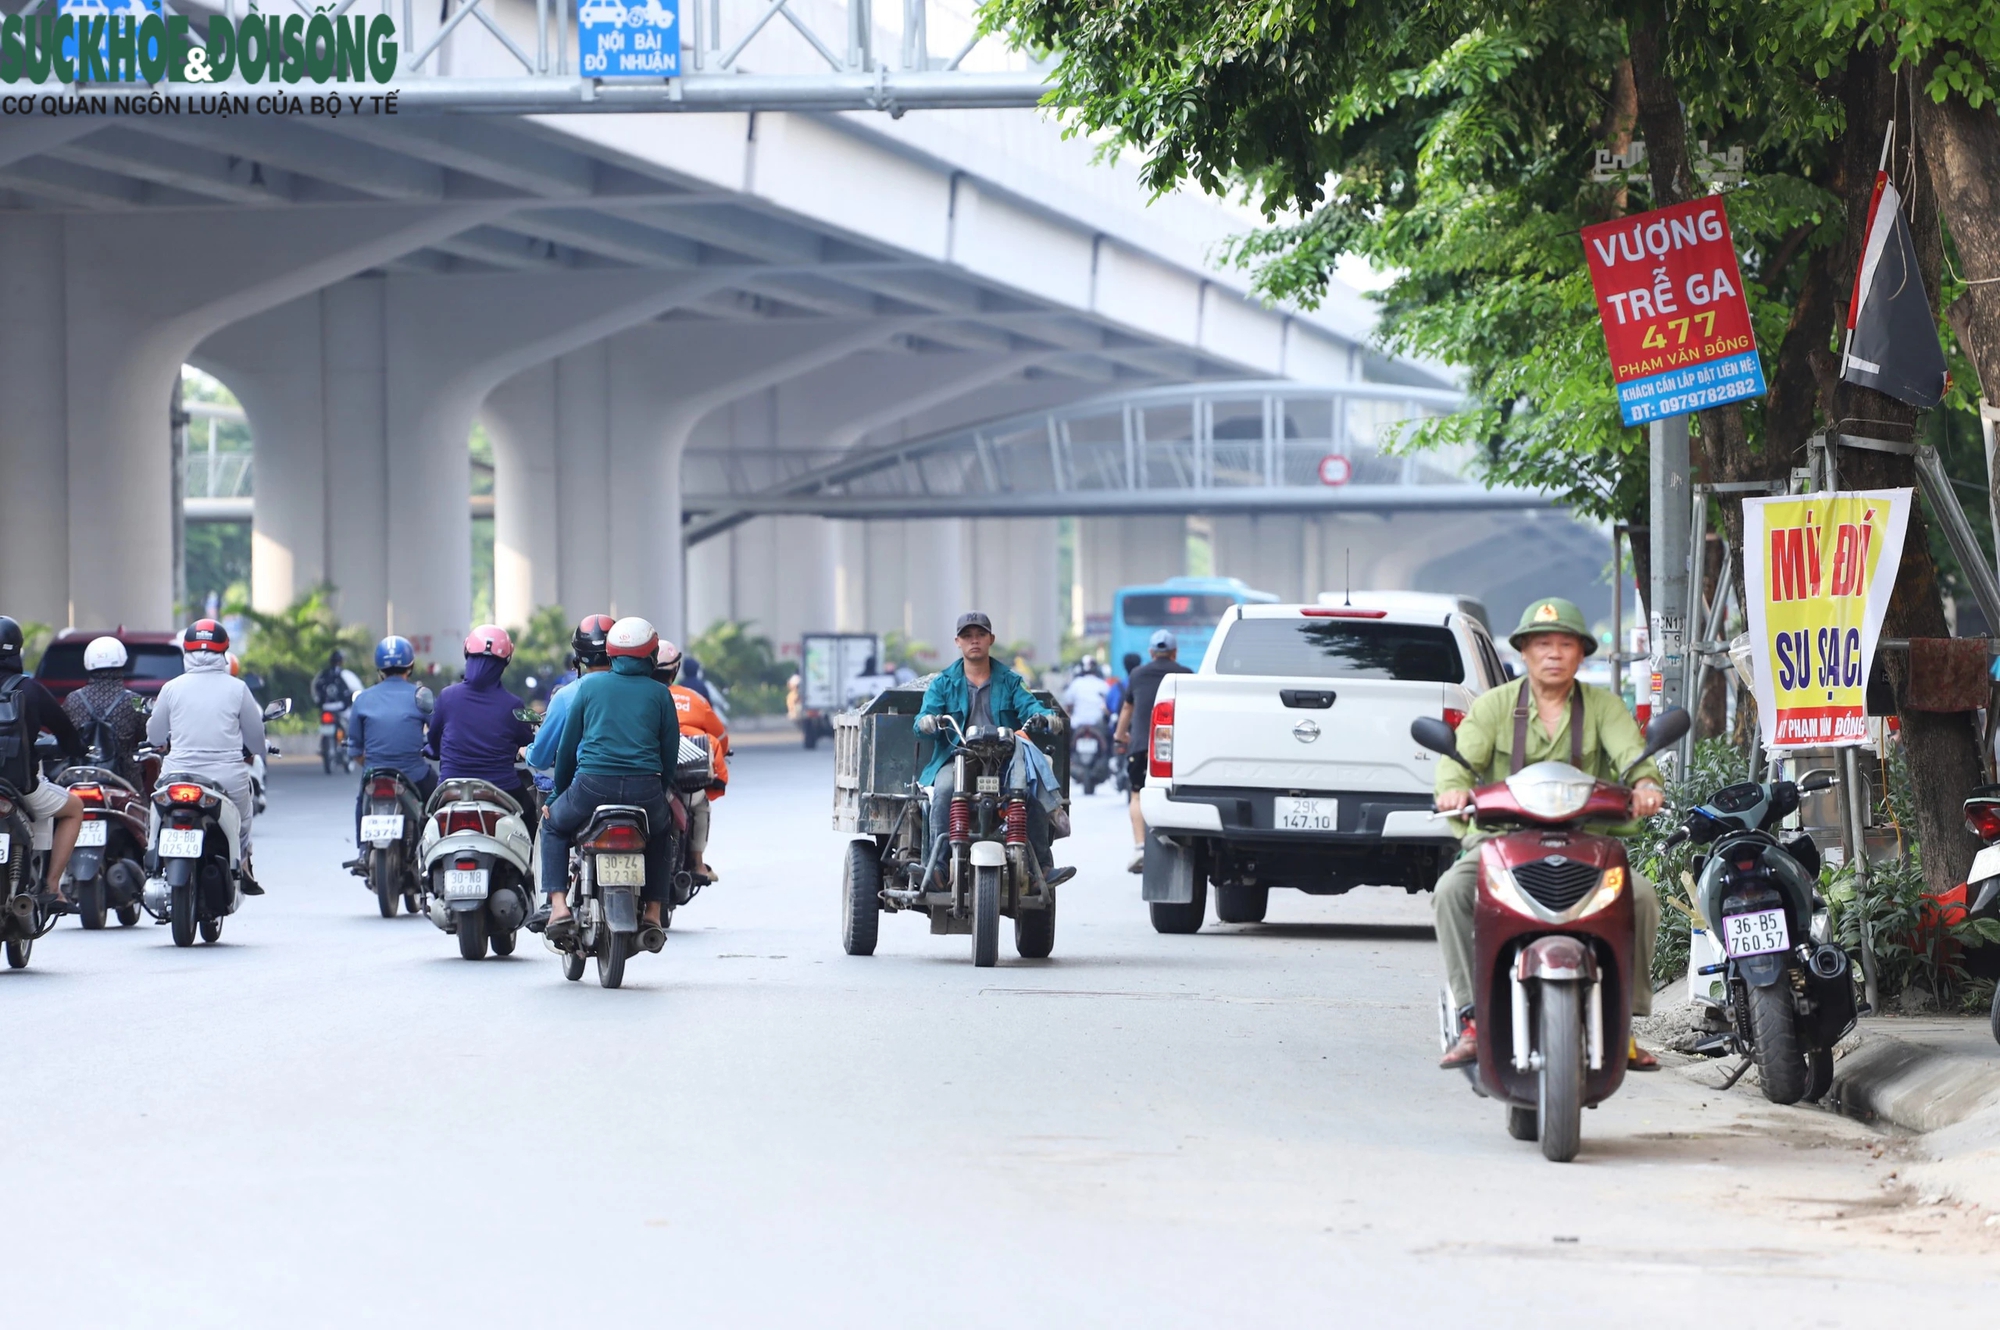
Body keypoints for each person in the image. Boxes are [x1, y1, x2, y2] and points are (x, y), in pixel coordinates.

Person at [1433, 597, 1667, 1072]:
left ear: (1582, 654)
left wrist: (1644, 785)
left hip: (1587, 844)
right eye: (1543, 644)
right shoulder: (1494, 707)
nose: (1554, 654)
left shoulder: (1604, 707)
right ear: (1524, 652)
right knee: (1451, 891)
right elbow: (1457, 764)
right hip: (1501, 844)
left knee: (1641, 897)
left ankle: (1624, 1021)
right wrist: (1454, 793)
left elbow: (1633, 756)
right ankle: (1472, 1016)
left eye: (1565, 644)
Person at [544, 616, 680, 950]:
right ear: (651, 656)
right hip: (645, 791)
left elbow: (566, 750)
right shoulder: (661, 694)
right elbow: (669, 754)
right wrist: (662, 791)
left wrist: (558, 794)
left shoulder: (589, 687)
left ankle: (558, 906)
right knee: (663, 834)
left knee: (553, 827)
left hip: (591, 788)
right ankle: (652, 911)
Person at [917, 612, 1073, 888]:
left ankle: (1041, 869)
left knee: (1031, 787)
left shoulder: (1010, 680)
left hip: (1006, 759)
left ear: (991, 639)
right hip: (959, 757)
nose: (974, 641)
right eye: (967, 636)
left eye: (979, 635)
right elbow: (923, 718)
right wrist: (927, 722)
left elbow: (1030, 705)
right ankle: (939, 868)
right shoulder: (943, 682)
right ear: (958, 642)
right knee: (942, 791)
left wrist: (1046, 716)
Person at [145, 619, 267, 892]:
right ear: (224, 652)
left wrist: (161, 744)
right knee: (243, 820)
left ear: (186, 652)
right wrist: (254, 748)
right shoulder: (238, 689)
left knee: (156, 810)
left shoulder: (172, 688)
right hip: (227, 776)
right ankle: (242, 863)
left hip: (176, 773)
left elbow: (154, 735)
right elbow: (256, 740)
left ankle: (152, 853)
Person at [0, 616, 86, 908]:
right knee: (74, 808)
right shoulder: (31, 689)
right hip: (22, 789)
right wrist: (76, 749)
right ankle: (51, 886)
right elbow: (66, 733)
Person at [427, 626, 540, 836]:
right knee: (530, 816)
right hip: (502, 790)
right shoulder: (513, 704)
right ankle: (533, 868)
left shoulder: (446, 697)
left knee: (427, 823)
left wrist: (432, 749)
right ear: (506, 661)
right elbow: (527, 741)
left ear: (467, 653)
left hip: (450, 789)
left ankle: (421, 866)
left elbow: (433, 741)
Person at [341, 635, 435, 867]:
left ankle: (363, 850)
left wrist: (373, 764)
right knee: (437, 800)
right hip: (414, 774)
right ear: (410, 666)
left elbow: (355, 749)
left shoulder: (363, 699)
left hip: (375, 773)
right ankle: (434, 849)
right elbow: (438, 734)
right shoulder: (420, 695)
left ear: (379, 668)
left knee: (361, 800)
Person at [1113, 630, 1192, 873]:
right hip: (1177, 750)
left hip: (1141, 747)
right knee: (1179, 795)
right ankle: (1183, 846)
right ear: (1175, 652)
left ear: (1151, 653)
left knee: (1137, 794)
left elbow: (1127, 707)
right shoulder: (1186, 675)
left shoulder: (1137, 674)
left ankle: (1140, 848)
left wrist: (1119, 736)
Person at [656, 639, 728, 883]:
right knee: (701, 804)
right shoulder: (693, 698)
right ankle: (697, 863)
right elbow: (720, 735)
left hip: (642, 776)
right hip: (683, 778)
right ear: (674, 670)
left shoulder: (634, 697)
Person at [63, 636, 148, 789]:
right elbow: (145, 734)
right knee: (141, 810)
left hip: (80, 779)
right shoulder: (136, 700)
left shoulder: (72, 699)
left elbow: (63, 734)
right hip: (124, 780)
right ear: (122, 661)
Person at [1061, 656, 1112, 732]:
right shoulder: (1103, 684)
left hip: (1077, 724)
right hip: (1098, 725)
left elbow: (1068, 705)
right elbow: (1109, 706)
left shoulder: (1075, 683)